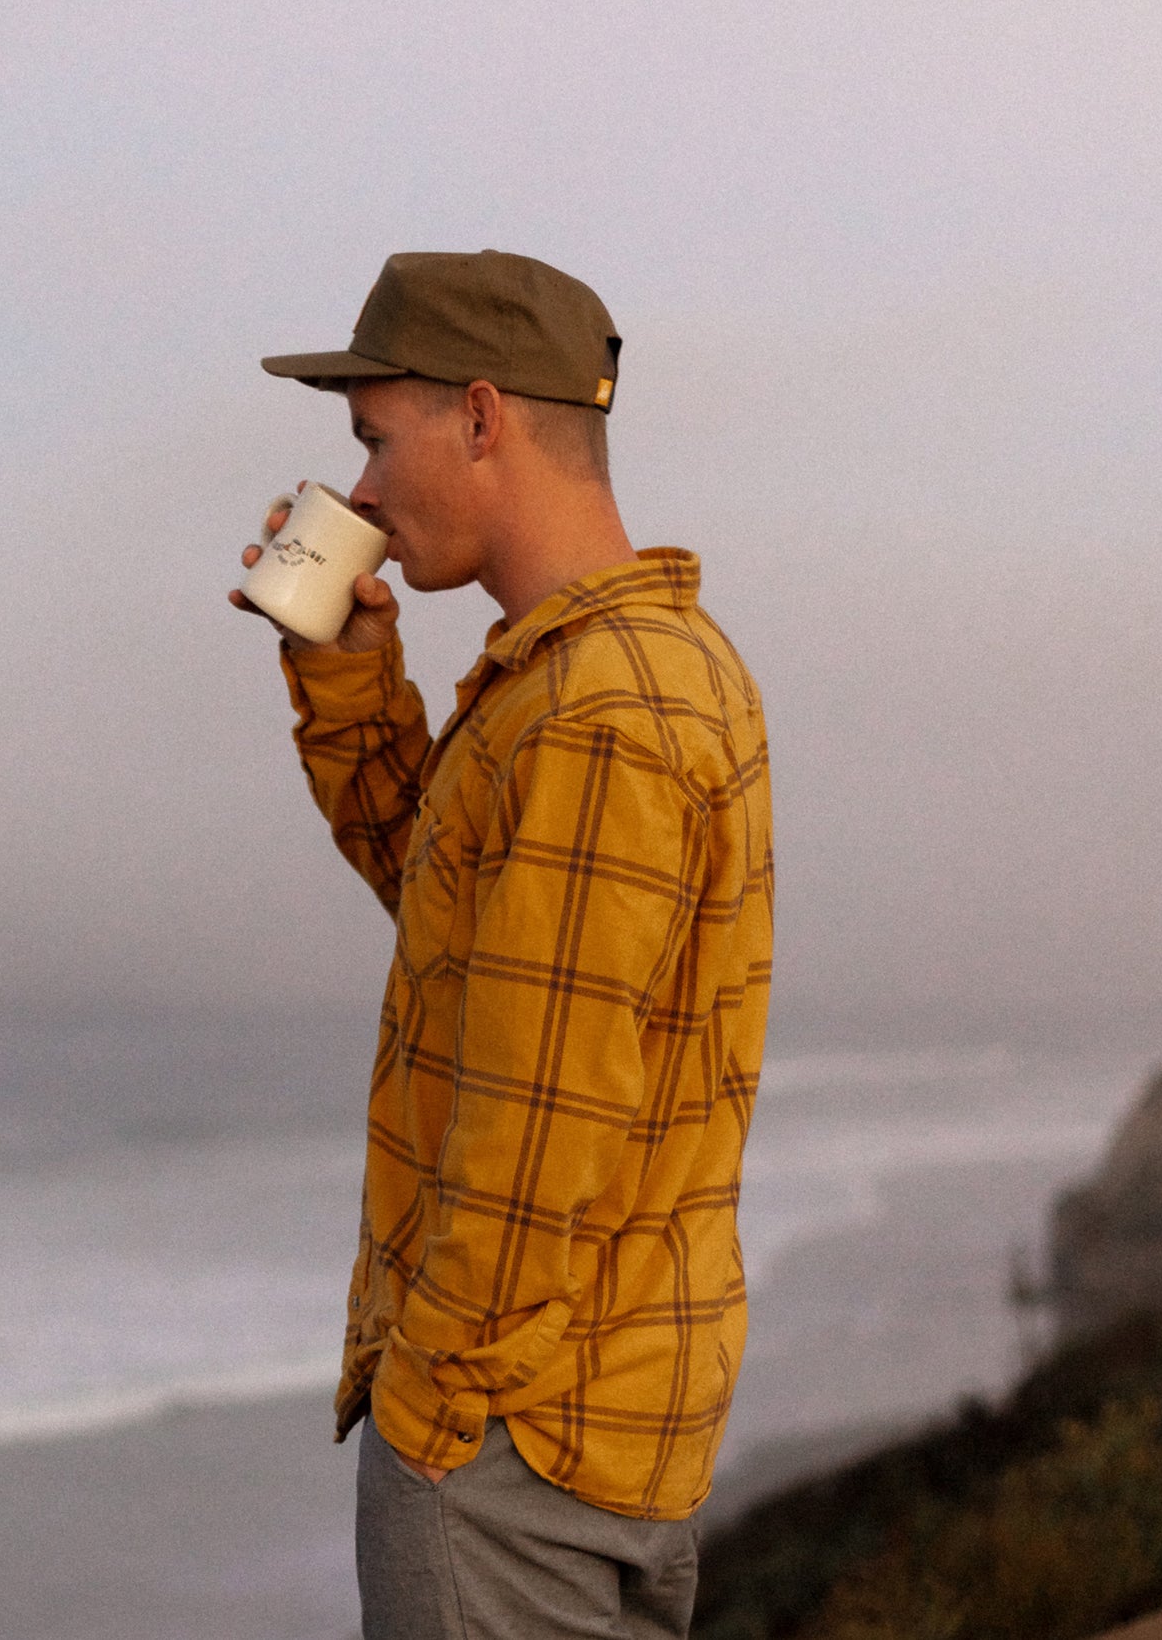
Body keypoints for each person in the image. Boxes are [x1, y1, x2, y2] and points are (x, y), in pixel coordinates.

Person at [230, 250, 773, 1640]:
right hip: (584, 1411)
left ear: (480, 415)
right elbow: (452, 907)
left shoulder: (597, 711)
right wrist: (344, 670)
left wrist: (428, 1410)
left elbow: (544, 1116)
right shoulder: (615, 667)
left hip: (504, 1445)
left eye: (373, 437)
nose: (353, 495)